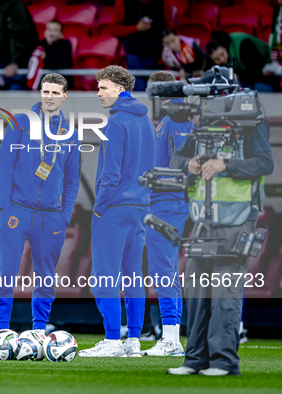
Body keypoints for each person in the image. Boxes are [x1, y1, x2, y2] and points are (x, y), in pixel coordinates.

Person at [167, 89, 273, 376]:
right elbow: (175, 161)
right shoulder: (201, 129)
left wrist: (226, 164)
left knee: (225, 294)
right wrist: (186, 164)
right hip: (202, 222)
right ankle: (194, 360)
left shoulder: (252, 124)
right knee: (197, 293)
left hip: (237, 221)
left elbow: (265, 163)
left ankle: (224, 362)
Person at [0, 73, 80, 334]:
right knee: (5, 271)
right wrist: (2, 207)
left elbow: (73, 180)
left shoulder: (70, 133)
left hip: (51, 216)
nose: (50, 97)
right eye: (46, 92)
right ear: (40, 93)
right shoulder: (20, 123)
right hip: (17, 210)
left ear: (65, 96)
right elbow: (4, 167)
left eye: (55, 93)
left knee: (46, 277)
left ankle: (39, 329)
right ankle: (2, 329)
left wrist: (64, 215)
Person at [79, 65, 155, 357]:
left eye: (103, 87)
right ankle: (133, 340)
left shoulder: (116, 123)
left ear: (120, 90)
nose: (98, 93)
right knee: (133, 275)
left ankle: (112, 341)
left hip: (113, 208)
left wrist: (98, 209)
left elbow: (110, 174)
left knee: (104, 277)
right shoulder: (146, 122)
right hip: (140, 208)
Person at [142, 70, 193, 357]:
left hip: (170, 203)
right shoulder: (162, 122)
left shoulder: (177, 119)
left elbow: (186, 169)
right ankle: (169, 335)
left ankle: (172, 338)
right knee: (161, 269)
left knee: (164, 269)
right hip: (158, 203)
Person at [109, 0, 166, 91]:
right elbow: (114, 29)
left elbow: (169, 27)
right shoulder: (122, 2)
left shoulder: (162, 2)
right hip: (135, 56)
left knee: (157, 95)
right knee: (140, 93)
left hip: (157, 56)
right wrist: (135, 28)